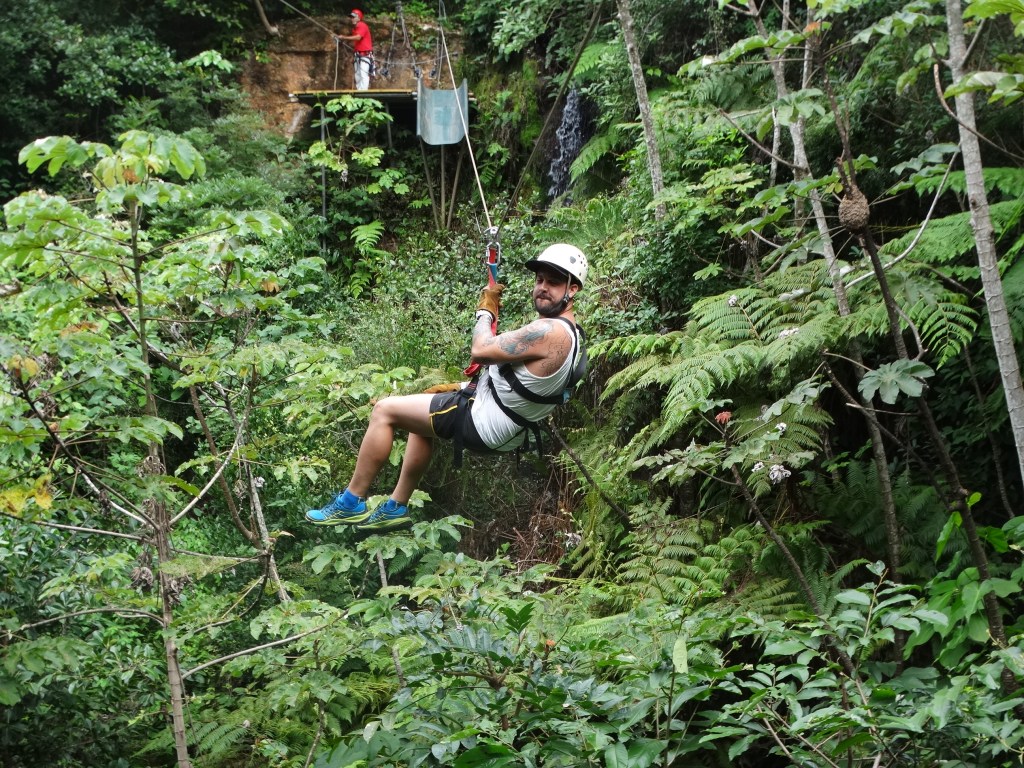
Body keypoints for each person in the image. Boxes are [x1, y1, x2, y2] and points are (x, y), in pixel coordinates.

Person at [304, 243, 589, 531]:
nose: (543, 287)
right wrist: (464, 386)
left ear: (573, 289)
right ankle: (395, 506)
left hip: (484, 422)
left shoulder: (549, 331)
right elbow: (521, 386)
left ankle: (351, 502)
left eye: (553, 282)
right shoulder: (574, 335)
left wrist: (485, 311)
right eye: (539, 280)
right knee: (419, 420)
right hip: (507, 426)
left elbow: (480, 349)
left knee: (384, 411)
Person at [335, 9, 373, 90]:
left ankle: (363, 92)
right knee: (358, 74)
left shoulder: (362, 25)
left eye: (354, 17)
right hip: (358, 54)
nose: (352, 19)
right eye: (351, 17)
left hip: (365, 54)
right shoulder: (355, 29)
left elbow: (358, 37)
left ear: (359, 18)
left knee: (363, 73)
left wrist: (344, 37)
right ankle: (359, 90)